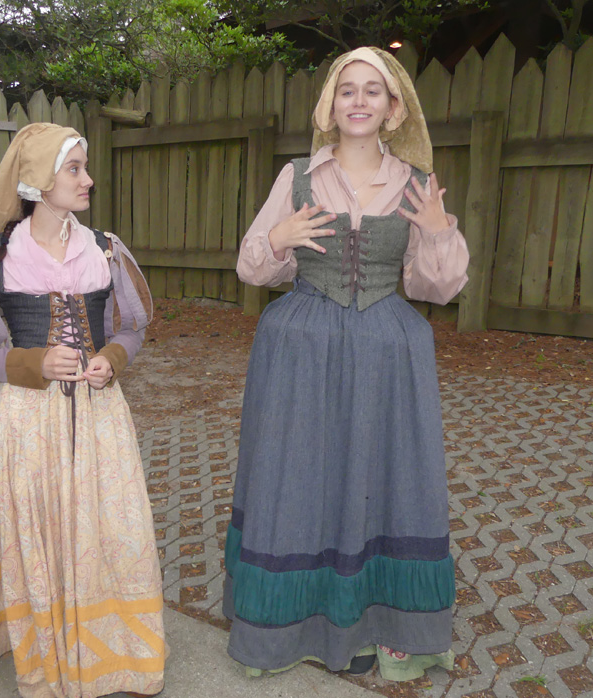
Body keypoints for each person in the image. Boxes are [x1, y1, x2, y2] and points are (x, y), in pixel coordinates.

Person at [223, 47, 469, 682]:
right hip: (302, 347)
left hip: (387, 348)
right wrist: (275, 241)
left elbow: (437, 289)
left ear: (392, 110)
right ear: (330, 107)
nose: (358, 100)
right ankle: (293, 625)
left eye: (373, 91)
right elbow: (254, 269)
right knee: (299, 473)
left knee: (384, 474)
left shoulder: (417, 184)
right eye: (346, 90)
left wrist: (439, 232)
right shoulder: (297, 175)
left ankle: (383, 626)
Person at [0, 123, 164, 698]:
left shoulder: (106, 251)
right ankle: (44, 646)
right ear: (39, 182)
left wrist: (112, 357)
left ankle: (108, 648)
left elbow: (134, 330)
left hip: (99, 421)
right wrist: (29, 363)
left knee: (107, 530)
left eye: (85, 168)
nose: (88, 179)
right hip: (25, 423)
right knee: (36, 532)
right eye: (75, 169)